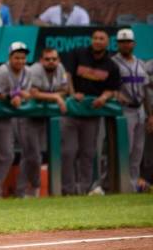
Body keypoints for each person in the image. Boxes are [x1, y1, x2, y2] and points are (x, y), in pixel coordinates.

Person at [61, 30, 120, 195]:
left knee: (88, 153)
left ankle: (85, 190)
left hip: (92, 115)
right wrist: (72, 94)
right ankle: (68, 190)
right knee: (68, 152)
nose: (98, 41)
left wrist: (104, 97)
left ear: (107, 43)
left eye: (101, 39)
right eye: (95, 38)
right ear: (91, 40)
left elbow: (112, 89)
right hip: (71, 113)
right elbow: (68, 76)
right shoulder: (78, 54)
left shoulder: (111, 65)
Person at [0, 43, 35, 199]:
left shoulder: (28, 71)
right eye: (16, 57)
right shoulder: (2, 70)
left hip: (5, 117)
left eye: (23, 57)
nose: (20, 61)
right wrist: (12, 97)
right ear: (9, 58)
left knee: (7, 155)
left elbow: (24, 92)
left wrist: (20, 96)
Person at [21, 48, 69, 198]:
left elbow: (65, 89)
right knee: (32, 156)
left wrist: (54, 96)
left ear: (58, 60)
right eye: (47, 59)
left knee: (49, 154)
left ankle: (34, 190)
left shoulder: (60, 68)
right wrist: (55, 97)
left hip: (45, 117)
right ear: (41, 60)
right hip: (27, 116)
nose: (51, 61)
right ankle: (26, 189)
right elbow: (34, 94)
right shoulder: (34, 70)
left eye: (54, 59)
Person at [112, 29, 150, 192]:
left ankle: (133, 185)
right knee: (124, 149)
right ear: (118, 44)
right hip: (124, 110)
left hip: (140, 109)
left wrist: (151, 114)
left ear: (133, 44)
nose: (126, 45)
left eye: (128, 42)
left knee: (138, 150)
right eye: (122, 42)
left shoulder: (140, 63)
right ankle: (120, 184)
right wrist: (115, 94)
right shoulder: (112, 62)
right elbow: (109, 86)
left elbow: (146, 90)